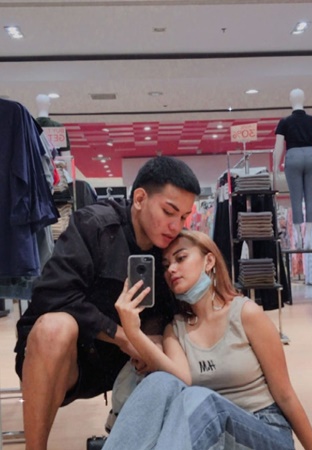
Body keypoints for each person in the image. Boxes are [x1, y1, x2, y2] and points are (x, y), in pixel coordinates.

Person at [14, 156, 201, 450]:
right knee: (54, 327)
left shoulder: (171, 249)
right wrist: (123, 336)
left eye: (184, 217)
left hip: (126, 365)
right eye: (169, 212)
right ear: (140, 198)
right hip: (66, 357)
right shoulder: (95, 225)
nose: (175, 226)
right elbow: (51, 295)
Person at [104, 229, 312, 450]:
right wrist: (133, 333)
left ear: (209, 261)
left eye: (181, 258)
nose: (171, 269)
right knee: (159, 382)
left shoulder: (245, 314)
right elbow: (181, 379)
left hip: (263, 431)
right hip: (209, 437)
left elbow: (285, 395)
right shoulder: (175, 330)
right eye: (166, 265)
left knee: (202, 400)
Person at [273, 88, 312, 249]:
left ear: (290, 100)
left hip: (293, 156)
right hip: (311, 155)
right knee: (310, 196)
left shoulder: (284, 122)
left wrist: (275, 165)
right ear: (304, 100)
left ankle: (298, 236)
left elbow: (278, 146)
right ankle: (309, 235)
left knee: (295, 197)